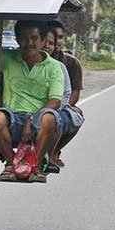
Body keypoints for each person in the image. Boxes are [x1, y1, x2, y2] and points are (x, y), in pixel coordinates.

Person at [0, 19, 64, 182]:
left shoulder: (54, 66)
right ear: (17, 40)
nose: (29, 43)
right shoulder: (7, 58)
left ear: (42, 41)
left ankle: (34, 165)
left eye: (34, 38)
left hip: (39, 121)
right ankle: (11, 162)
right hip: (13, 120)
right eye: (24, 38)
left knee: (50, 118)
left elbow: (55, 100)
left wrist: (30, 120)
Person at [41, 28, 84, 168]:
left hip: (56, 105)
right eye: (44, 42)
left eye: (52, 42)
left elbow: (70, 93)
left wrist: (57, 106)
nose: (47, 46)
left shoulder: (64, 65)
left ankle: (53, 152)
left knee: (59, 118)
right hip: (29, 107)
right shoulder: (20, 62)